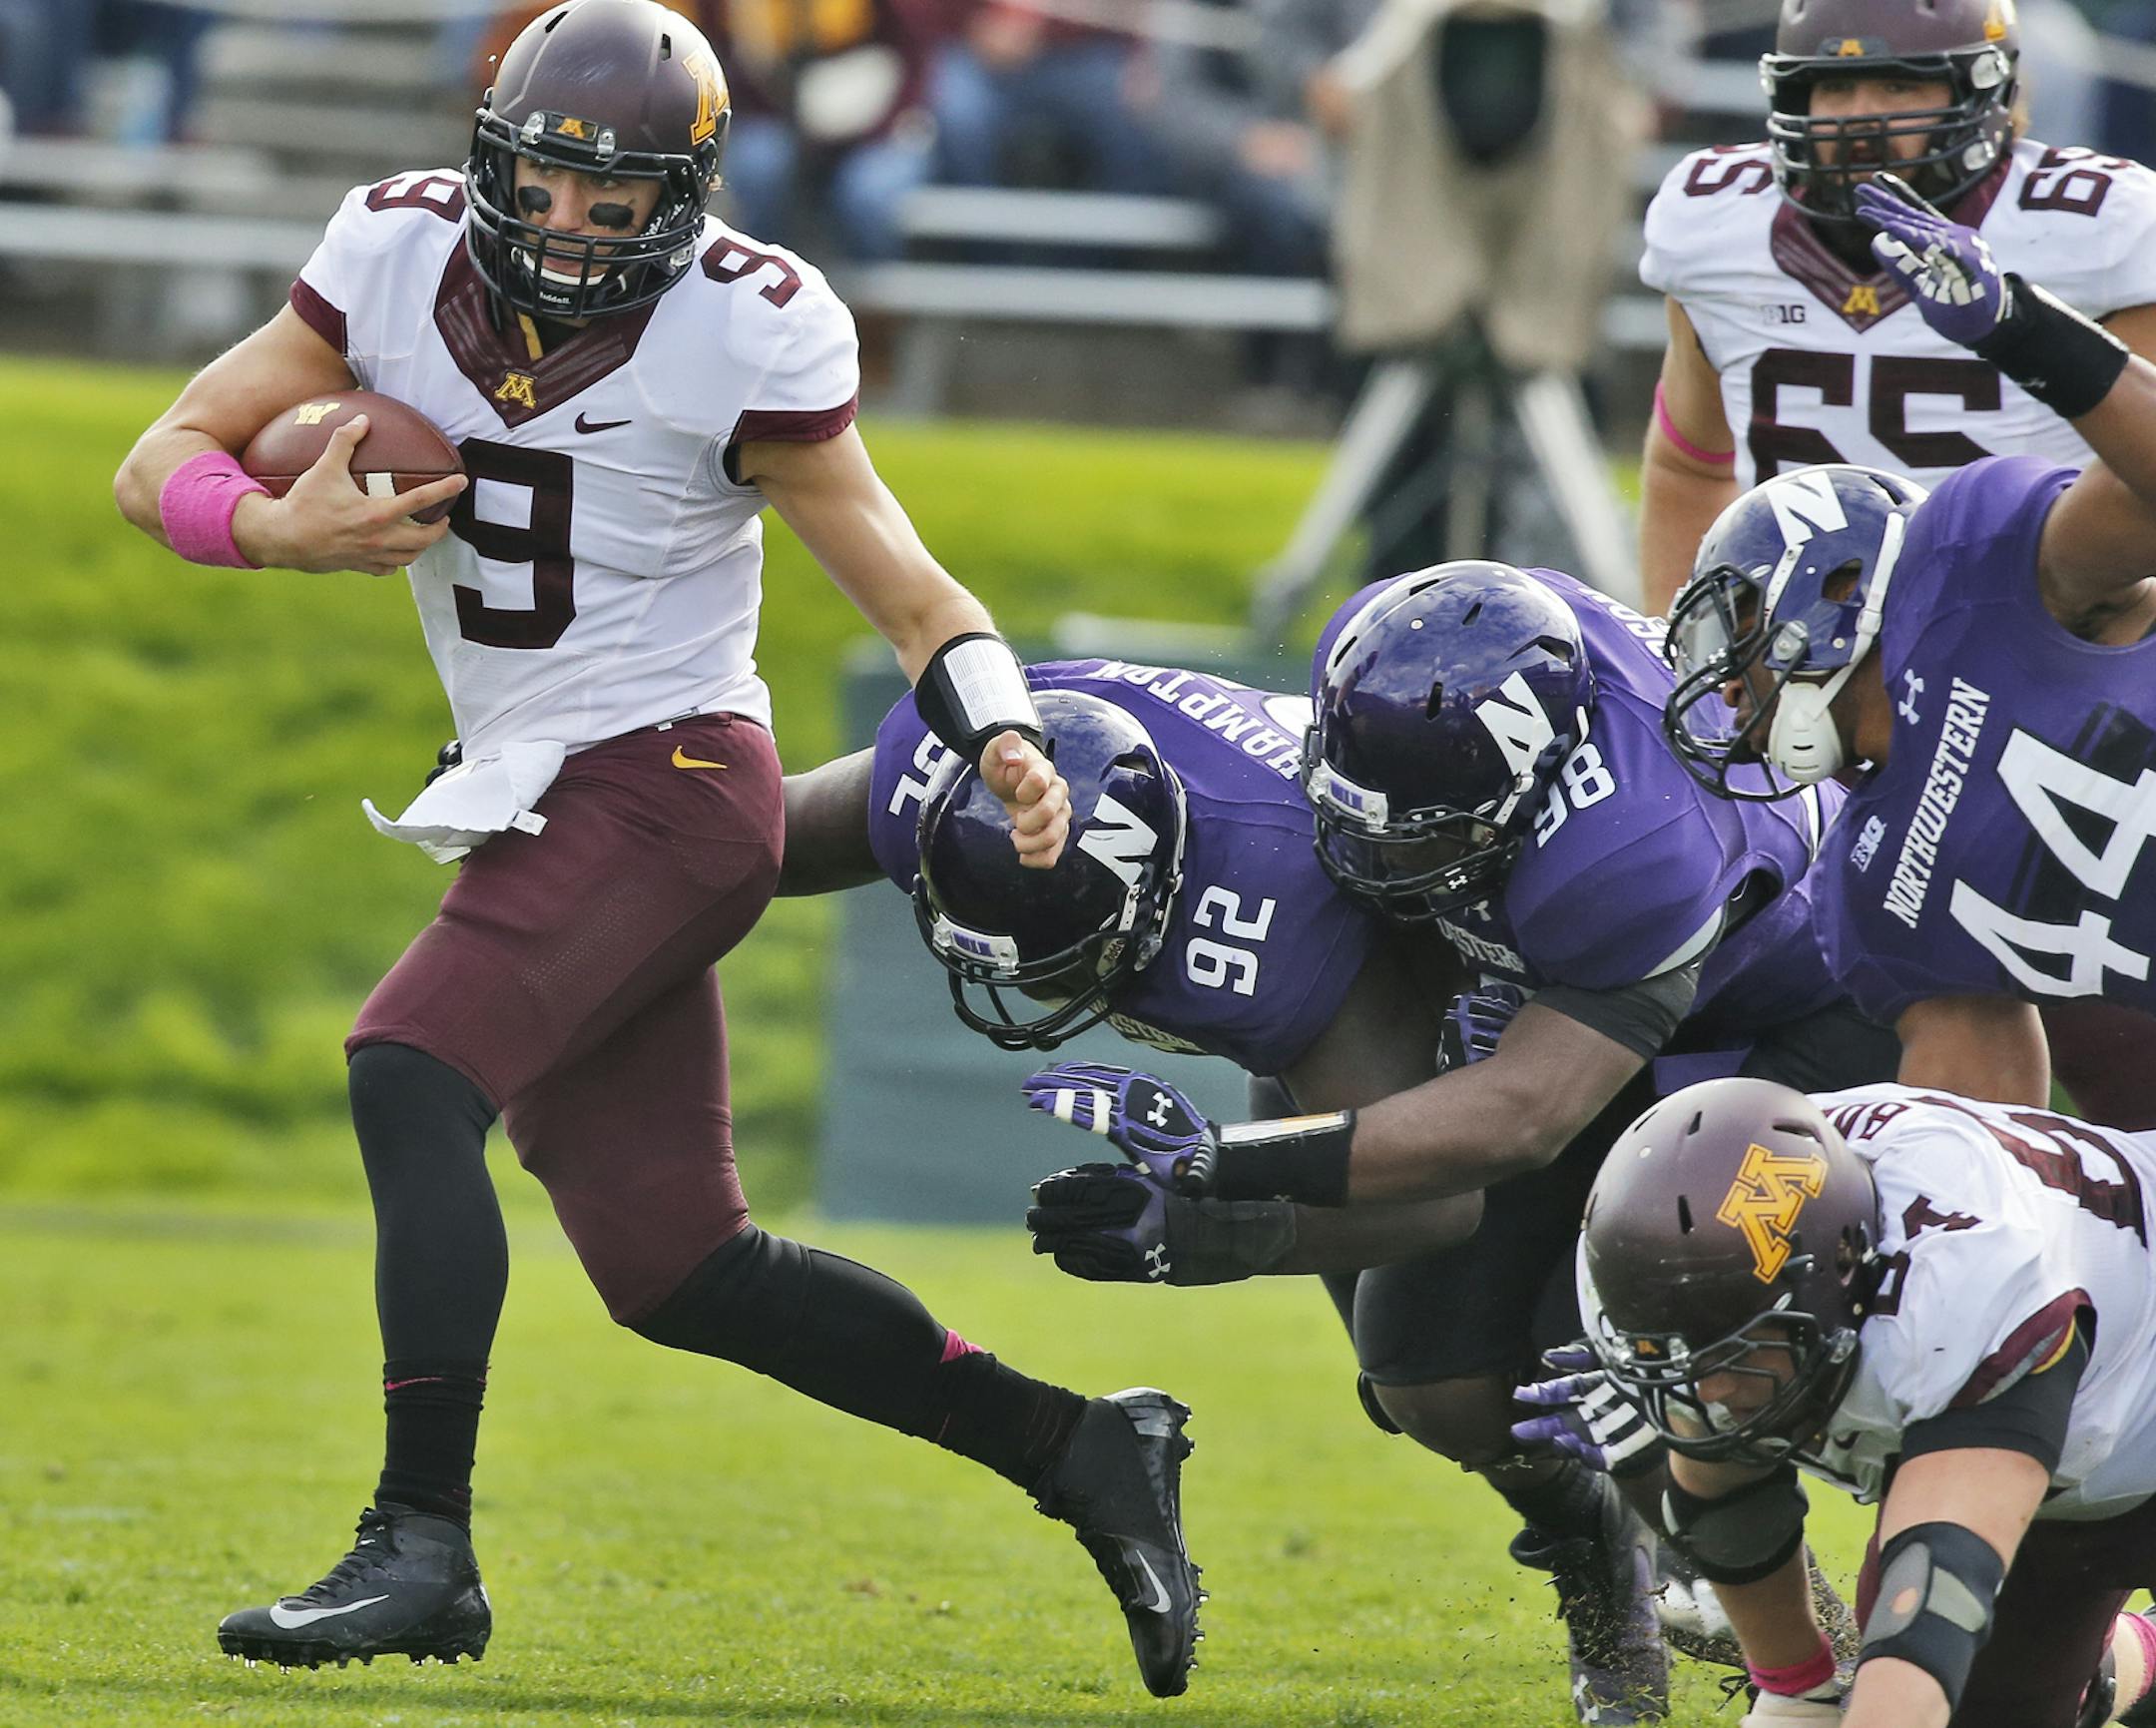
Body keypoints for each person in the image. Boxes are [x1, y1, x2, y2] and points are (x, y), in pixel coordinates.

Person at [108, 0, 1205, 1695]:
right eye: (545, 187)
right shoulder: (389, 252)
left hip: (679, 780)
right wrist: (272, 527)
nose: (569, 228)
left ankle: (419, 1544)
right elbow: (154, 457)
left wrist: (1001, 730)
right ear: (491, 162)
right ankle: (1080, 1446)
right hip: (534, 785)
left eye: (615, 205)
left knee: (408, 1063)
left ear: (687, 199)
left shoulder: (747, 331)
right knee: (676, 1265)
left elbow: (914, 594)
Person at [1019, 561, 1894, 1723]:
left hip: (1797, 1014)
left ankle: (1799, 1633)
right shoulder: (1408, 658)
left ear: (1537, 782)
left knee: (1643, 1316)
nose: (1376, 848)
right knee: (1428, 1374)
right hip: (1577, 1009)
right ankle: (1604, 1560)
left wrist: (1217, 1179)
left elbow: (1522, 1117)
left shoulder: (1636, 839)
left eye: (1425, 828)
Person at [1660, 172, 2156, 1124]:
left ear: (1837, 588)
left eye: (1739, 643)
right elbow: (1990, 1142)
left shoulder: (1980, 562)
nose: (1727, 696)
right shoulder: (1872, 885)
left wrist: (2022, 328)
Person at [1550, 1073, 2156, 1728]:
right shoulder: (1688, 1252)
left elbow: (1936, 1588)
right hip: (2086, 1448)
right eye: (1682, 1358)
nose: (1710, 1391)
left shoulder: (1965, 1283)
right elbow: (1723, 1489)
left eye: (1740, 1351)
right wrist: (1796, 1692)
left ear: (1842, 1266)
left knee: (1920, 1658)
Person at [1636, 0, 2156, 618]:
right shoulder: (1717, 224)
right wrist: (1690, 652)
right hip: (1805, 633)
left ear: (1985, 90)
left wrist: (2061, 594)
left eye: (1899, 84)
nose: (1861, 118)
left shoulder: (2100, 230)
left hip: (2034, 633)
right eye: (1834, 86)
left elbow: (2144, 482)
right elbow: (1688, 469)